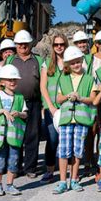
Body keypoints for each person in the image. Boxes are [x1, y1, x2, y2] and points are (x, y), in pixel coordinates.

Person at [53, 46, 97, 194]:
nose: (76, 65)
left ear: (82, 60)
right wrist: (67, 96)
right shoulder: (63, 78)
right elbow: (58, 99)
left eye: (78, 62)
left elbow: (93, 99)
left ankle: (74, 179)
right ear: (67, 65)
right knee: (64, 151)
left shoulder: (90, 79)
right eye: (72, 63)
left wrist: (80, 98)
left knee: (77, 151)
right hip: (66, 120)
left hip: (81, 120)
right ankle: (62, 181)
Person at [8, 29, 44, 178]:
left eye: (25, 43)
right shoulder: (10, 61)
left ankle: (30, 168)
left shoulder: (38, 60)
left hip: (33, 103)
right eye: (20, 44)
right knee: (16, 136)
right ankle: (15, 167)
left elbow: (43, 83)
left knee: (32, 135)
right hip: (15, 103)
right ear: (16, 45)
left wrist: (43, 104)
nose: (23, 46)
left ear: (30, 44)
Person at [0, 64, 27, 196]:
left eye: (14, 79)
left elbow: (25, 114)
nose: (12, 82)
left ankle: (10, 185)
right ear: (2, 81)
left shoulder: (20, 97)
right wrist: (2, 111)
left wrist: (19, 114)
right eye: (9, 79)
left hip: (14, 136)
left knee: (13, 161)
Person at [40, 32, 67, 184]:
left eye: (61, 44)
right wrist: (50, 106)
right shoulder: (47, 63)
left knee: (66, 139)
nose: (59, 47)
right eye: (56, 44)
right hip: (51, 108)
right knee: (52, 140)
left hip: (67, 108)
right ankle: (50, 170)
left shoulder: (70, 62)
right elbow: (43, 87)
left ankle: (68, 170)